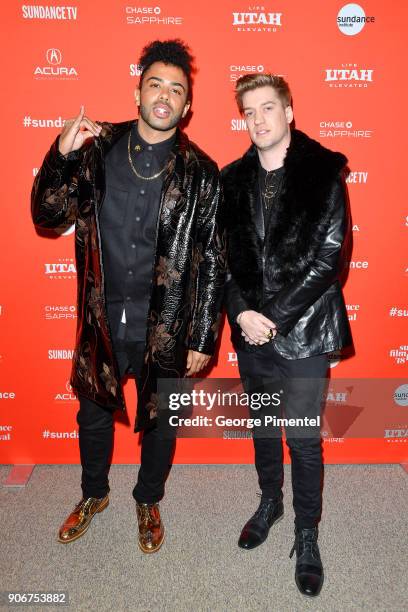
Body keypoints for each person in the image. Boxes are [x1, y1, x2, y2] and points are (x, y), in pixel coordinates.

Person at [31, 39, 225, 553]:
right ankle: (94, 494)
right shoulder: (97, 148)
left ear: (188, 107)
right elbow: (47, 215)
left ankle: (148, 498)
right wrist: (61, 152)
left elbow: (210, 259)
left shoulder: (203, 173)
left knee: (162, 423)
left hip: (166, 322)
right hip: (102, 316)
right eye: (155, 84)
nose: (165, 95)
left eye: (176, 89)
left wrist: (204, 332)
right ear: (138, 90)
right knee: (92, 415)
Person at [222, 73, 352, 596]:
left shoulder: (323, 171)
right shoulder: (230, 180)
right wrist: (241, 313)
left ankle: (307, 530)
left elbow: (329, 260)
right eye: (249, 111)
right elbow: (223, 262)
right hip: (251, 333)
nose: (258, 119)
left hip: (302, 332)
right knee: (262, 428)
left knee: (301, 436)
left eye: (268, 107)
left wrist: (269, 313)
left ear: (290, 111)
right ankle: (270, 502)